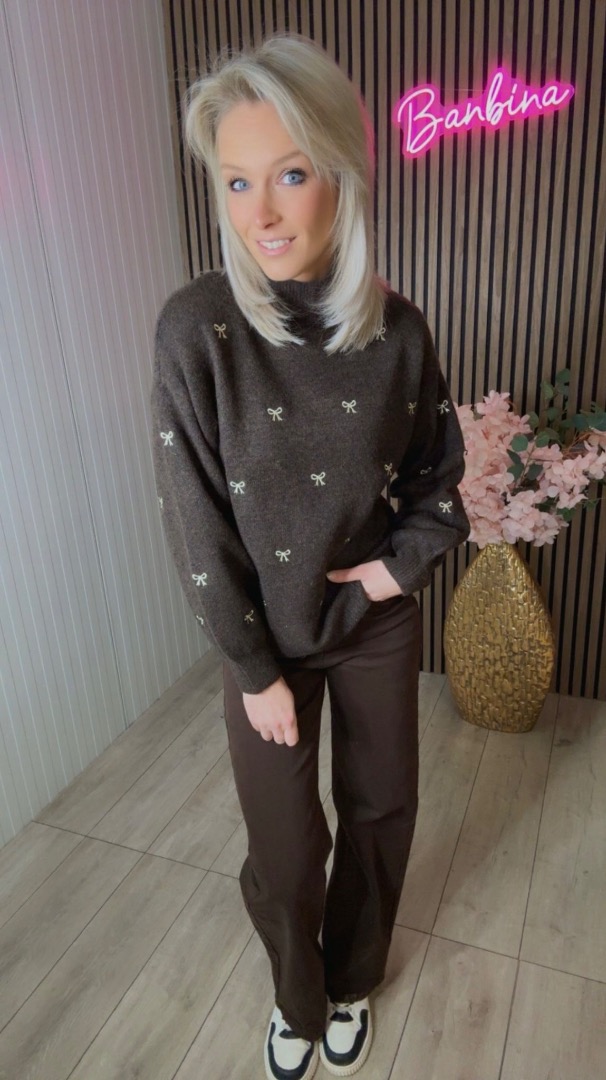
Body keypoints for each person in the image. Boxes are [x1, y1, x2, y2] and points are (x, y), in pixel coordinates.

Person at [151, 34, 469, 1080]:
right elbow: (196, 523)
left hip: (371, 623)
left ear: (340, 174)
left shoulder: (398, 333)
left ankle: (354, 978)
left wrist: (393, 570)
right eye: (237, 181)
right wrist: (253, 670)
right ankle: (298, 996)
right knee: (286, 845)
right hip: (265, 636)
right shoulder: (196, 331)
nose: (264, 212)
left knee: (381, 809)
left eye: (290, 174)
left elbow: (439, 479)